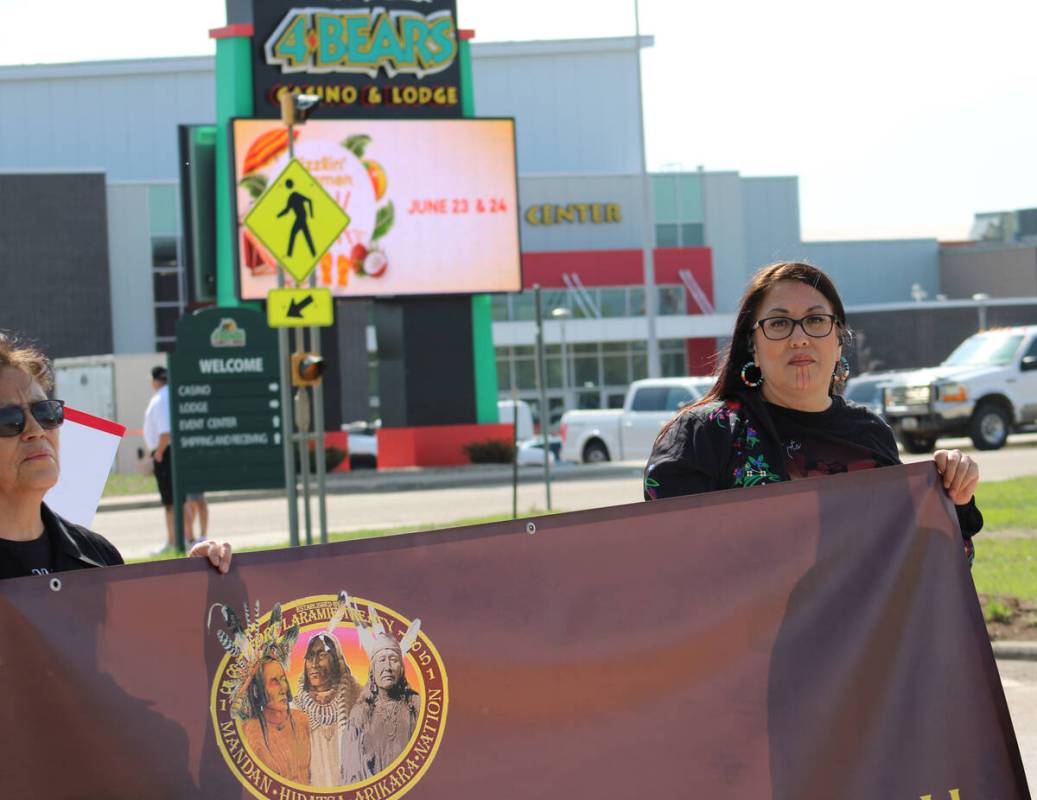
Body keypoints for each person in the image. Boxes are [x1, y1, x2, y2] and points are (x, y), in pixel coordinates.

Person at [644, 261, 982, 556]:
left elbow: (922, 572)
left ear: (838, 341)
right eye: (779, 324)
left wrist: (957, 497)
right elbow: (670, 564)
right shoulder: (704, 434)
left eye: (816, 320)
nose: (799, 338)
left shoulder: (870, 435)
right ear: (753, 346)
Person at [0, 335, 231, 579]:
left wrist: (194, 583)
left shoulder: (99, 557)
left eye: (45, 412)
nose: (36, 431)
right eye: (8, 420)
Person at [341, 617, 422, 784]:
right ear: (372, 671)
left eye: (393, 660)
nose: (388, 667)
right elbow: (351, 771)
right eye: (382, 660)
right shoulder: (359, 713)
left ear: (401, 669)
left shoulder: (416, 705)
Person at [295, 633, 362, 786]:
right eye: (310, 657)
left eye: (321, 655)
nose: (314, 664)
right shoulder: (297, 708)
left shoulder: (357, 698)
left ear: (336, 660)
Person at [241, 656, 312, 784]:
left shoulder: (303, 720)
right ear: (257, 690)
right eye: (274, 682)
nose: (282, 688)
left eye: (283, 679)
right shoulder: (250, 731)